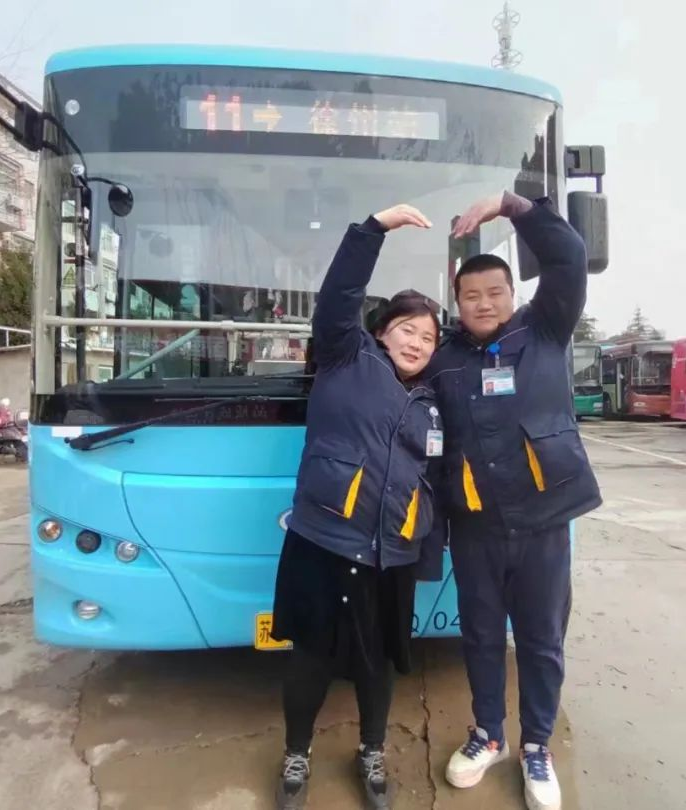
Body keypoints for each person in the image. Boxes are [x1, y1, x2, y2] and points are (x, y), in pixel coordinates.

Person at [428, 191, 602, 810]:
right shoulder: (443, 359)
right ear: (457, 303)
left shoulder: (545, 327)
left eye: (494, 293)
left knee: (540, 638)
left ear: (511, 294)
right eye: (471, 295)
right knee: (478, 635)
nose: (484, 303)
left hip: (542, 524)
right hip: (474, 526)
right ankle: (488, 734)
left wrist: (510, 205)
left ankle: (535, 744)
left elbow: (568, 256)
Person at [271, 203, 447, 810]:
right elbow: (338, 298)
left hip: (390, 556)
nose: (417, 343)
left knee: (378, 665)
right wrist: (373, 231)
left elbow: (432, 479)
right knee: (310, 658)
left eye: (428, 337)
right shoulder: (346, 355)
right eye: (408, 330)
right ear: (382, 331)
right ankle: (297, 753)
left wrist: (424, 547)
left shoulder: (431, 402)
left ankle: (371, 751)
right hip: (323, 542)